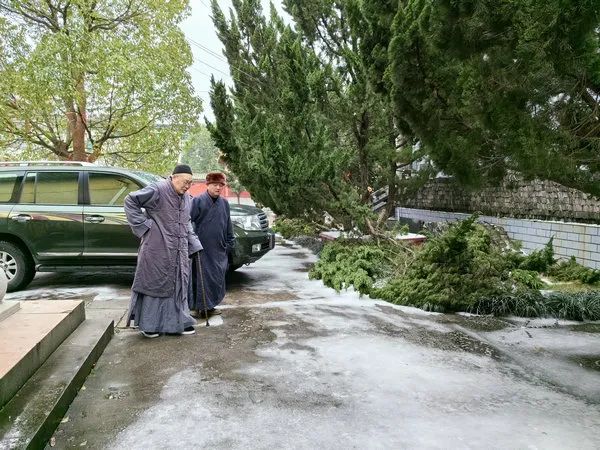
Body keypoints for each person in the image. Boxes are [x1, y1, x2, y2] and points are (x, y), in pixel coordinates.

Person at [124, 164, 202, 338]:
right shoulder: (158, 189)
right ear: (174, 178)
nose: (187, 186)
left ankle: (178, 322)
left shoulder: (187, 197)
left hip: (179, 250)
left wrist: (194, 243)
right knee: (155, 284)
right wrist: (145, 227)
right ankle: (149, 325)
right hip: (156, 248)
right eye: (185, 182)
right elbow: (130, 201)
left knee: (178, 285)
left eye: (190, 183)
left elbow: (186, 222)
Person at [189, 171, 235, 318]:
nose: (218, 188)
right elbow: (188, 222)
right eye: (215, 184)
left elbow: (228, 224)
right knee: (201, 278)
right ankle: (198, 307)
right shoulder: (197, 201)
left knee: (216, 278)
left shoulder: (224, 203)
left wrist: (229, 242)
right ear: (207, 185)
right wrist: (192, 243)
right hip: (202, 248)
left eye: (221, 185)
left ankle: (210, 306)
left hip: (219, 248)